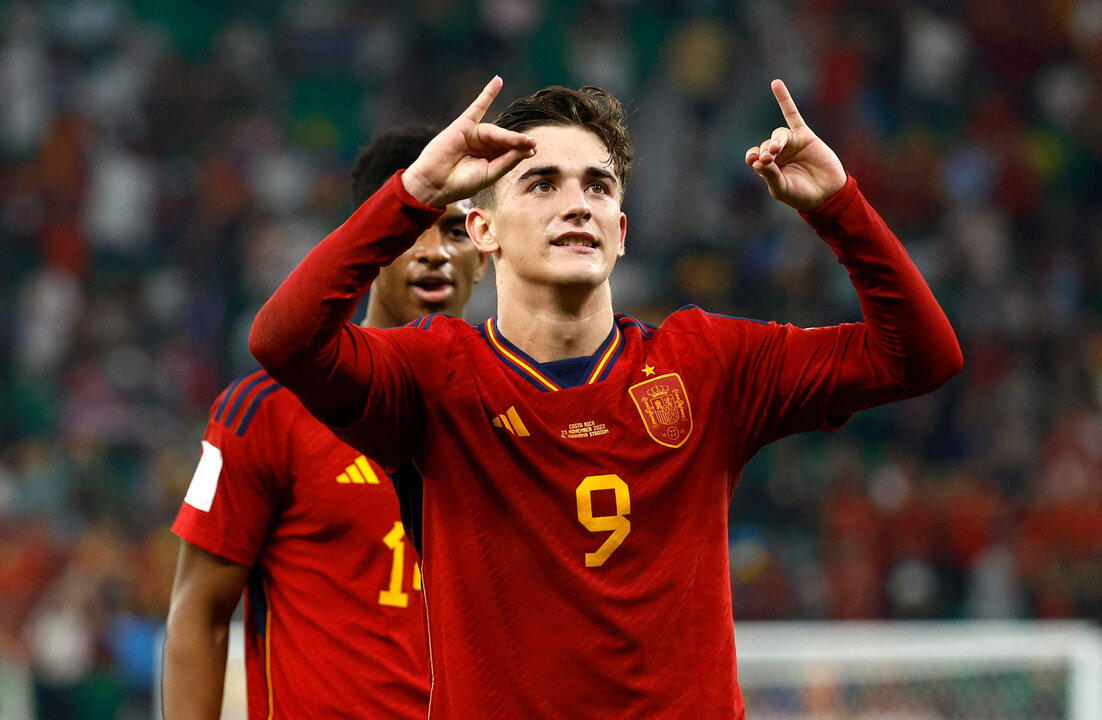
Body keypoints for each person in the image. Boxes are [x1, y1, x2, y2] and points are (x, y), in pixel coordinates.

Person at [248, 76, 963, 718]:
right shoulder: (433, 375)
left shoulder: (708, 363)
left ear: (620, 233)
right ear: (482, 229)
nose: (576, 205)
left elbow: (922, 357)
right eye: (542, 184)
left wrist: (841, 208)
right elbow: (285, 340)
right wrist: (411, 197)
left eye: (597, 186)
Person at [162, 127, 487, 720]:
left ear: (485, 252)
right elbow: (199, 611)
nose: (434, 252)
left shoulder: (512, 411)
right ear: (370, 243)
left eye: (455, 230)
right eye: (413, 230)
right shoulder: (261, 410)